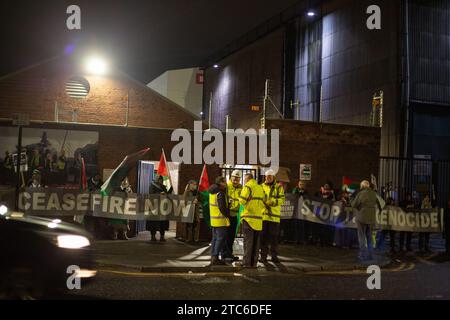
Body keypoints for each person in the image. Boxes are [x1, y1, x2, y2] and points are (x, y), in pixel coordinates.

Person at [237, 173, 265, 268]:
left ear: (247, 179)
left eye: (244, 180)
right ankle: (254, 263)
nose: (244, 181)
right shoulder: (260, 187)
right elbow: (263, 201)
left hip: (248, 218)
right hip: (258, 219)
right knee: (256, 243)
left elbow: (242, 201)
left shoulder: (247, 187)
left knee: (248, 242)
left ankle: (246, 263)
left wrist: (239, 196)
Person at [351, 180, 382, 261]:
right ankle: (370, 255)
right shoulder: (374, 193)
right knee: (369, 237)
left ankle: (362, 255)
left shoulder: (361, 193)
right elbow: (381, 204)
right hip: (371, 218)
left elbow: (354, 204)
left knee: (361, 237)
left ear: (362, 186)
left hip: (361, 217)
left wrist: (351, 200)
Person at [260, 169, 285, 263]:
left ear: (274, 177)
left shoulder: (279, 187)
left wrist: (273, 202)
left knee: (274, 239)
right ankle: (263, 257)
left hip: (274, 217)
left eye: (270, 176)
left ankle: (274, 256)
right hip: (264, 217)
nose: (268, 178)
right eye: (267, 176)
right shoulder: (261, 187)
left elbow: (282, 199)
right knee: (263, 239)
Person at [208, 176, 231, 266]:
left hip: (214, 220)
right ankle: (215, 257)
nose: (226, 184)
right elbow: (222, 208)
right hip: (220, 220)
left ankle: (213, 256)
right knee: (220, 239)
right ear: (220, 183)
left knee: (215, 239)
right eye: (224, 182)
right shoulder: (220, 193)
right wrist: (228, 214)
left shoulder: (212, 192)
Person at [223, 170, 243, 261]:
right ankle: (225, 255)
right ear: (231, 177)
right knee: (226, 236)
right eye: (234, 179)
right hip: (227, 215)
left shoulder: (241, 188)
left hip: (235, 215)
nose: (236, 181)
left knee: (231, 236)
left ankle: (229, 254)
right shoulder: (226, 187)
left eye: (238, 179)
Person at [146, 174, 170, 242]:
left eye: (161, 179)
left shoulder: (164, 187)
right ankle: (153, 236)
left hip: (163, 207)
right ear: (157, 179)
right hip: (154, 207)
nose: (161, 181)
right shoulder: (152, 186)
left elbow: (167, 194)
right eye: (159, 179)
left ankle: (162, 236)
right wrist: (159, 194)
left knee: (163, 222)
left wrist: (171, 188)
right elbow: (151, 195)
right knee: (153, 222)